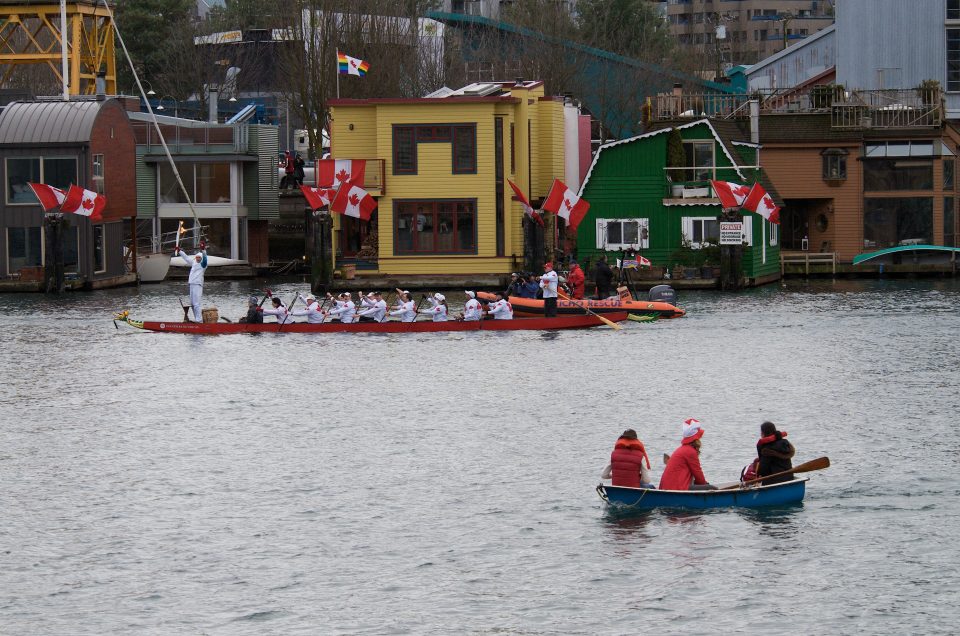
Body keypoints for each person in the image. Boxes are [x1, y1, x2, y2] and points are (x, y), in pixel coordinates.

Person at [659, 418, 715, 491]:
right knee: (711, 488)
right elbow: (698, 474)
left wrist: (702, 484)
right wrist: (706, 485)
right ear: (696, 439)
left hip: (668, 487)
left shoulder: (682, 449)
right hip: (676, 488)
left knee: (705, 486)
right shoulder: (690, 452)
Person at [175, 241, 208, 322]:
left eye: (199, 258)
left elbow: (205, 259)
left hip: (198, 285)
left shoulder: (203, 265)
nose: (197, 259)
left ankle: (199, 320)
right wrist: (179, 251)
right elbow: (186, 258)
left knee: (196, 304)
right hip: (192, 284)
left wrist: (203, 250)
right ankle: (197, 319)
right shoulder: (193, 263)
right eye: (197, 257)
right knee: (193, 304)